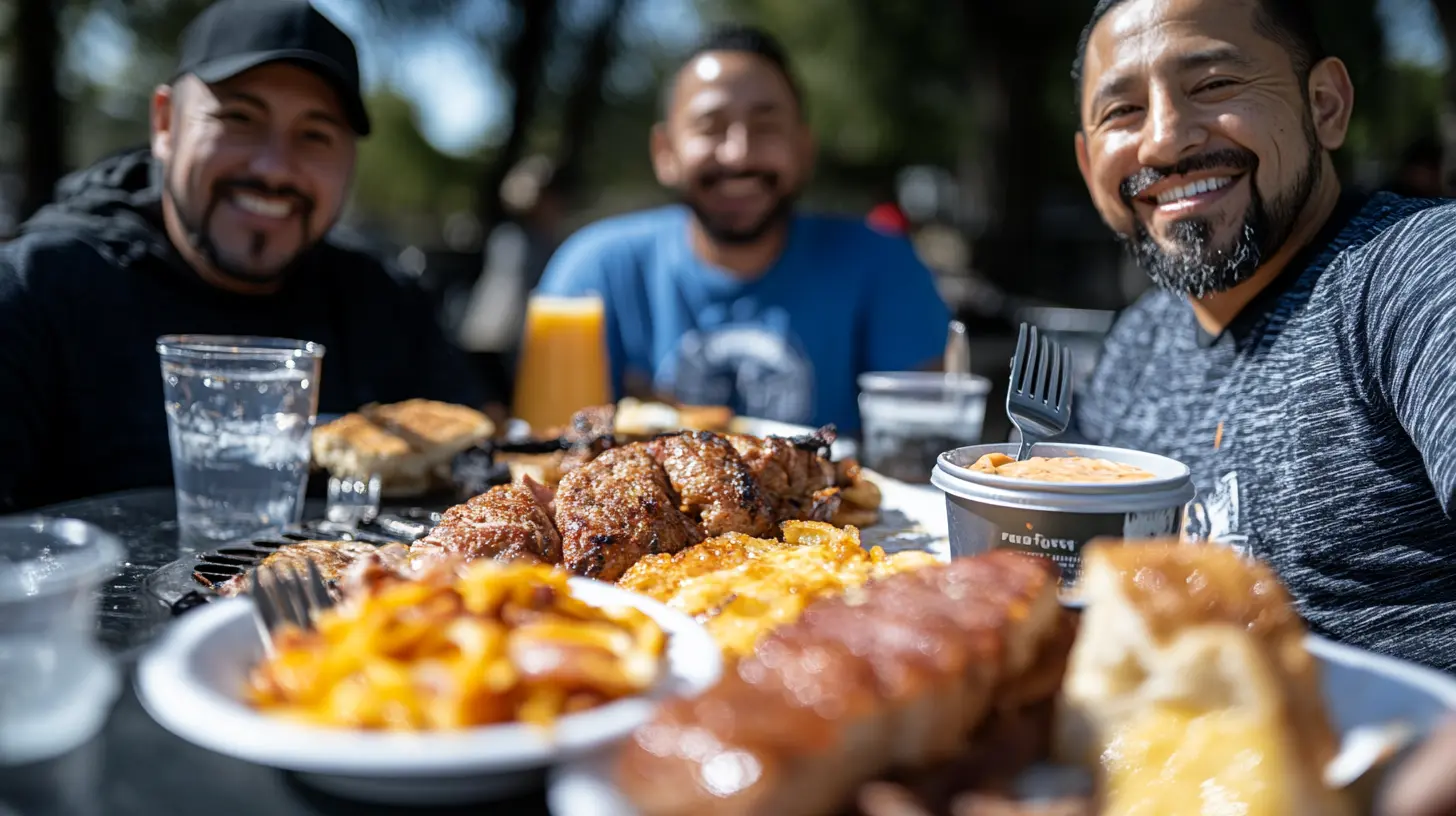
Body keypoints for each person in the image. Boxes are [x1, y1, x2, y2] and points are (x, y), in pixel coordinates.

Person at [1070, 0, 1456, 672]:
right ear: (1087, 164)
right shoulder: (1136, 346)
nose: (1163, 142)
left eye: (1214, 85)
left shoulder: (1419, 269)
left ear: (1326, 106)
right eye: (1123, 111)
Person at [0, 0, 486, 513]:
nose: (274, 169)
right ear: (165, 124)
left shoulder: (387, 306)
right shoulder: (36, 292)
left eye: (315, 134)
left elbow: (492, 465)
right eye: (239, 119)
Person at [536, 24, 949, 433]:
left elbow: (923, 449)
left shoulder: (885, 266)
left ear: (804, 148)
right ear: (665, 153)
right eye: (710, 126)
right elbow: (547, 448)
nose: (739, 154)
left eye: (766, 126)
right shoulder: (593, 272)